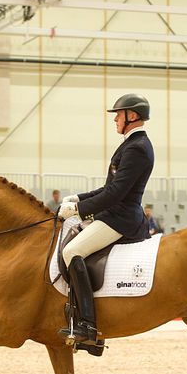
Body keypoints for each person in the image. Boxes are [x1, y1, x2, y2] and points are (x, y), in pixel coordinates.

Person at [57, 93, 154, 346]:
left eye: (118, 115)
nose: (115, 120)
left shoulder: (138, 148)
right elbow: (107, 187)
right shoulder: (129, 145)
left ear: (131, 116)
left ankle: (88, 325)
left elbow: (116, 193)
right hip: (113, 213)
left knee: (72, 250)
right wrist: (76, 198)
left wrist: (79, 210)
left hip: (121, 218)